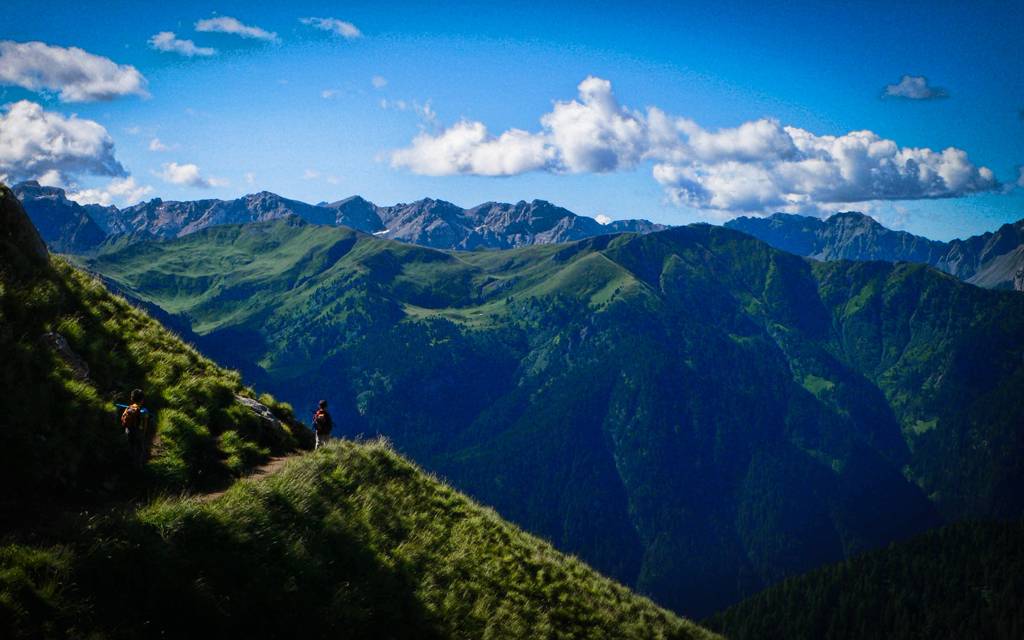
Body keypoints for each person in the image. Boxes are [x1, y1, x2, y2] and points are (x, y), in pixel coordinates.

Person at [120, 389, 150, 468]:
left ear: (131, 398)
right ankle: (139, 468)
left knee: (131, 448)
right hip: (138, 433)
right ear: (142, 400)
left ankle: (129, 466)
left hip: (128, 431)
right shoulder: (143, 411)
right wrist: (144, 433)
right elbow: (145, 425)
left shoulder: (128, 408)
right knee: (140, 450)